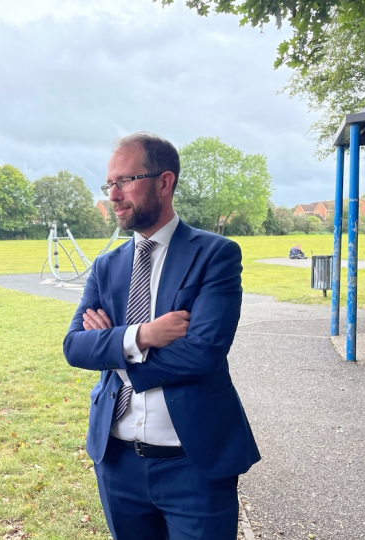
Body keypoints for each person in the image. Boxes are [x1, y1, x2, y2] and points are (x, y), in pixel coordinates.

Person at [63, 132, 260, 540]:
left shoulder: (215, 255)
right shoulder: (106, 266)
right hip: (117, 462)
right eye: (109, 184)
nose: (113, 195)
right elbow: (74, 347)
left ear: (164, 181)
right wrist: (143, 335)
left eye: (125, 181)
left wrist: (113, 349)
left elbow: (202, 353)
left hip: (195, 464)